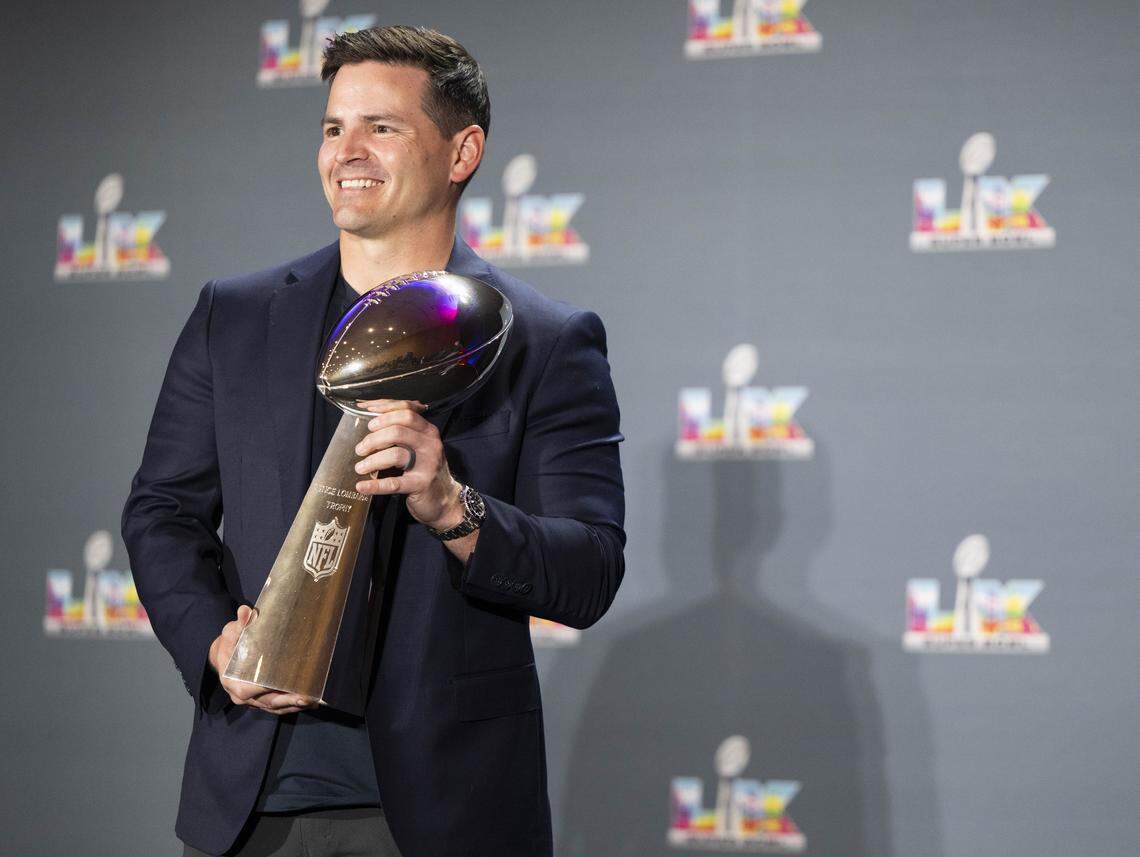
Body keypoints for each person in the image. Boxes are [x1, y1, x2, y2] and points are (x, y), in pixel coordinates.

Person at [122, 25, 625, 857]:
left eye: (380, 127)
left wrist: (453, 507)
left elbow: (589, 568)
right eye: (331, 128)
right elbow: (162, 512)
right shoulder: (235, 317)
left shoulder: (547, 339)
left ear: (463, 151)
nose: (346, 151)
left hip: (445, 812)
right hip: (252, 803)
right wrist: (216, 642)